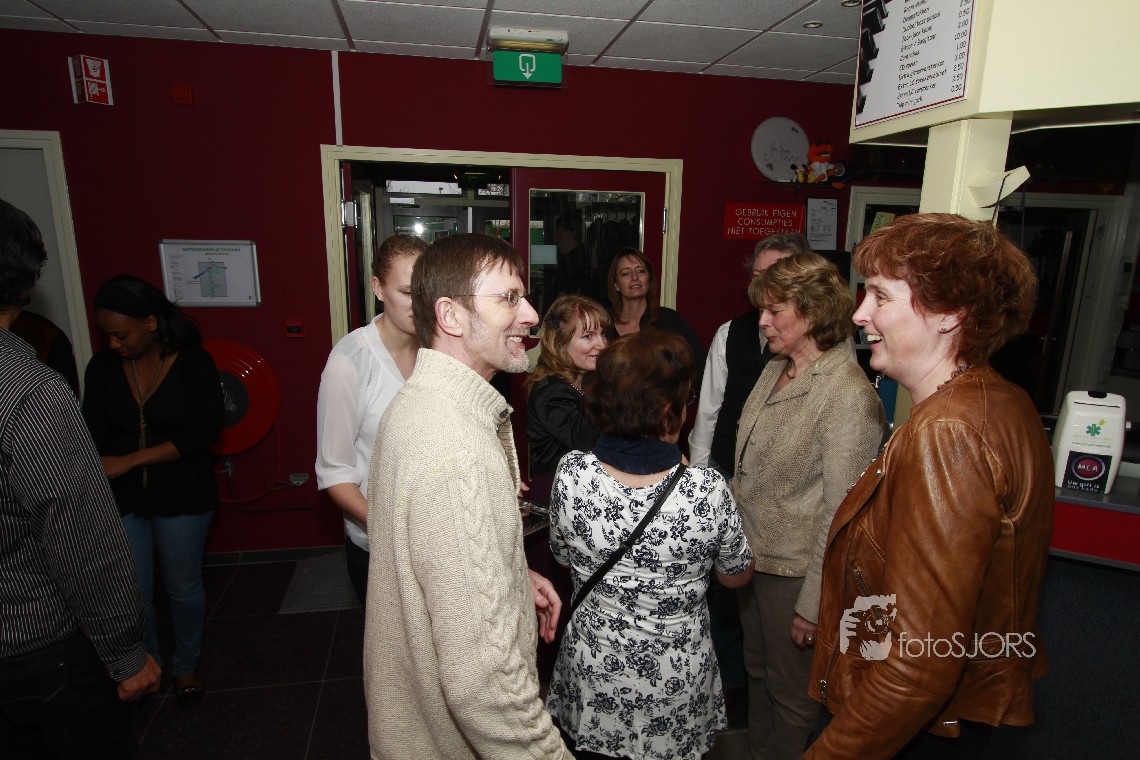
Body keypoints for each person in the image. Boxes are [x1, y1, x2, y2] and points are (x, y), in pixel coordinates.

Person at [803, 213, 1055, 759]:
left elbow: (916, 667)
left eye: (881, 296)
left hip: (912, 731)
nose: (860, 313)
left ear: (950, 314)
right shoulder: (999, 400)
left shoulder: (947, 432)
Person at [363, 233, 570, 759]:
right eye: (509, 298)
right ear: (451, 316)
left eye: (525, 297)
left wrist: (509, 575)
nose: (531, 315)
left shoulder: (420, 404)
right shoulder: (454, 447)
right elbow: (483, 685)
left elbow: (435, 553)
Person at [546, 328, 755, 760]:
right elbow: (736, 577)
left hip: (595, 673)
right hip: (673, 681)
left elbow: (563, 558)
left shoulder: (572, 475)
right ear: (666, 411)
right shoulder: (705, 491)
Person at [0, 198, 160, 757]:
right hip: (35, 653)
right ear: (27, 280)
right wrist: (125, 653)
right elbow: (78, 535)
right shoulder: (29, 391)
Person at [730, 252, 885, 760]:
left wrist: (814, 604)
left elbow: (843, 516)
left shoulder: (847, 395)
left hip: (795, 575)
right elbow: (750, 469)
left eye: (775, 311)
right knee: (757, 675)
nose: (763, 321)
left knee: (793, 695)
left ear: (813, 313)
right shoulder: (777, 368)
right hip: (752, 561)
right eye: (763, 309)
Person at [83, 274, 223, 708]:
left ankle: (186, 666)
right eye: (107, 335)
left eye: (121, 334)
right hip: (124, 497)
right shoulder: (102, 369)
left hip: (182, 493)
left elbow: (204, 432)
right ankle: (147, 665)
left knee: (182, 586)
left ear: (149, 323)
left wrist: (130, 460)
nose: (114, 344)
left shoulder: (193, 363)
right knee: (134, 590)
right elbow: (92, 430)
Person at [316, 233, 427, 606]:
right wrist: (388, 528)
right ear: (378, 288)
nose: (420, 303)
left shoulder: (439, 350)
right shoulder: (350, 362)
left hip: (437, 541)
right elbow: (334, 472)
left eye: (426, 290)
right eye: (407, 292)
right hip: (379, 547)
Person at [689, 233, 811, 475]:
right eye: (757, 276)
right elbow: (708, 410)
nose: (764, 284)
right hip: (727, 465)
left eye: (775, 275)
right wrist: (699, 474)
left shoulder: (827, 341)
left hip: (789, 476)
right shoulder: (728, 333)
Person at [525, 293, 610, 505]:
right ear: (560, 344)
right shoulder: (551, 392)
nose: (602, 344)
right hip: (557, 496)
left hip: (579, 492)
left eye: (603, 334)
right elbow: (589, 442)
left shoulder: (581, 384)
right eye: (588, 336)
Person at [605, 247, 707, 382]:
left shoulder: (670, 320)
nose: (634, 277)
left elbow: (702, 366)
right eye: (625, 273)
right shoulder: (602, 321)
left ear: (649, 280)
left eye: (641, 271)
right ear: (616, 285)